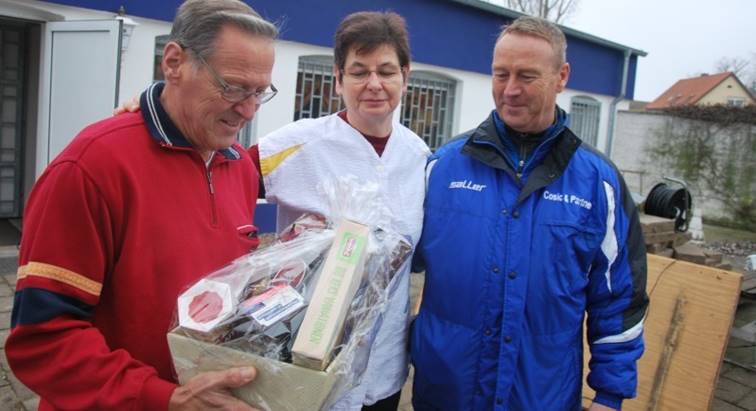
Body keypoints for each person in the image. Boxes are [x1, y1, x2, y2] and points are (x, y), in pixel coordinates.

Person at [5, 1, 278, 409]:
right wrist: (165, 398)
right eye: (234, 87)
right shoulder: (92, 166)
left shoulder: (237, 166)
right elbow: (42, 340)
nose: (249, 109)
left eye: (260, 92)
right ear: (174, 63)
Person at [409, 16, 649, 411]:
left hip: (542, 395)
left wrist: (610, 394)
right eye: (500, 74)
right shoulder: (443, 169)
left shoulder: (597, 182)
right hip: (445, 391)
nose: (510, 90)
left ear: (562, 76)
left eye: (527, 76)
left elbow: (620, 298)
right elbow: (393, 263)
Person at [253, 12, 429, 411]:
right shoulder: (295, 145)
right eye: (359, 71)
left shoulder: (419, 156)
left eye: (386, 71)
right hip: (304, 364)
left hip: (384, 370)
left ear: (405, 75)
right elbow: (211, 174)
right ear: (338, 78)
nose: (374, 84)